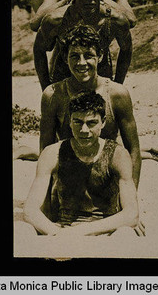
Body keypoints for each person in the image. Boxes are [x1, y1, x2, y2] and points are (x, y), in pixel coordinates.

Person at [20, 90, 141, 238]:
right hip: (61, 229)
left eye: (91, 123)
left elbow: (131, 214)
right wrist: (58, 233)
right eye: (78, 122)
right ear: (70, 122)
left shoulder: (117, 154)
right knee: (20, 229)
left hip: (104, 232)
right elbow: (30, 210)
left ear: (103, 122)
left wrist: (78, 232)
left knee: (126, 234)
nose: (84, 130)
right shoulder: (53, 153)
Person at [38, 24, 141, 189]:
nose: (81, 63)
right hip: (68, 183)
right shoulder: (53, 95)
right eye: (74, 56)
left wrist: (131, 194)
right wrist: (47, 198)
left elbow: (134, 150)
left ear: (99, 57)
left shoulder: (116, 94)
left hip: (106, 180)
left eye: (88, 56)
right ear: (65, 58)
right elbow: (45, 150)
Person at [33, 0, 132, 92]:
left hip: (100, 80)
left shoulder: (115, 20)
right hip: (63, 81)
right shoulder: (55, 20)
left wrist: (118, 85)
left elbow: (126, 49)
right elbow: (39, 49)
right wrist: (46, 89)